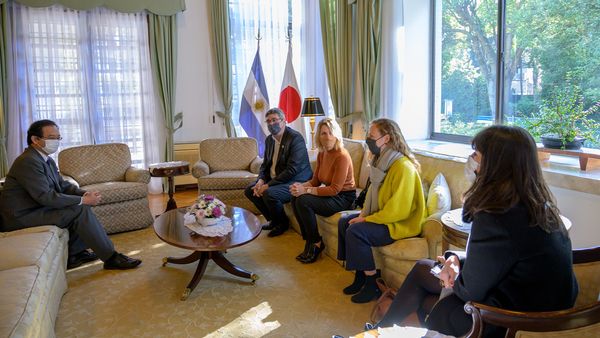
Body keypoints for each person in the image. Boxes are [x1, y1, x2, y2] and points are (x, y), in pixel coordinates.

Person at [374, 125, 578, 337]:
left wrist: (449, 277)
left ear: (494, 166)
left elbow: (471, 290)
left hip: (513, 319)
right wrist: (453, 259)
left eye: (476, 154)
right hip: (545, 309)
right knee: (423, 269)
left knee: (433, 302)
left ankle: (380, 331)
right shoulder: (540, 206)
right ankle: (379, 332)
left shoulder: (495, 217)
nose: (471, 160)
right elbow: (498, 260)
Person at [0, 120, 142, 270]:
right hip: (21, 217)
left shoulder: (46, 160)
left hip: (35, 209)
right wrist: (82, 200)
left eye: (58, 138)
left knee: (80, 207)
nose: (56, 142)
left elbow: (62, 185)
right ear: (35, 139)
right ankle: (111, 258)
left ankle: (75, 254)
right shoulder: (27, 161)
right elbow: (46, 197)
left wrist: (83, 193)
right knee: (79, 209)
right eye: (51, 137)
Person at [338, 118, 426, 303]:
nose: (368, 139)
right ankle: (360, 276)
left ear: (386, 139)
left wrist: (365, 220)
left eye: (371, 136)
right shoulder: (381, 162)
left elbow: (398, 211)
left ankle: (372, 284)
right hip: (385, 217)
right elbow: (372, 195)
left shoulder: (403, 167)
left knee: (355, 231)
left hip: (399, 223)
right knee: (344, 222)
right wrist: (363, 215)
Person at [289, 117, 356, 263]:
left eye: (330, 133)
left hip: (343, 198)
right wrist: (300, 187)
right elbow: (315, 181)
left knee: (304, 200)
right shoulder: (322, 153)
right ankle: (310, 240)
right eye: (323, 133)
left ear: (336, 135)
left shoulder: (342, 156)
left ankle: (317, 243)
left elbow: (335, 189)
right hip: (331, 194)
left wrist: (305, 191)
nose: (327, 137)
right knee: (295, 197)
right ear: (319, 136)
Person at [244, 108, 312, 237]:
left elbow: (292, 170)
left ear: (284, 121)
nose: (271, 123)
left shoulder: (295, 138)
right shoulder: (269, 140)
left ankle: (282, 224)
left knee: (269, 193)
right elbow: (265, 165)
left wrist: (268, 185)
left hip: (296, 180)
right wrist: (260, 181)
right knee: (250, 190)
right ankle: (274, 220)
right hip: (277, 179)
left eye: (275, 120)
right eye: (268, 121)